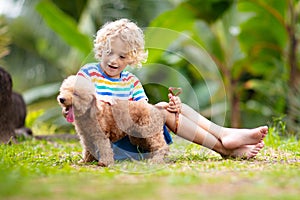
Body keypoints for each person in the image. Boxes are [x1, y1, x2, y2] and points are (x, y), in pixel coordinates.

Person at [76, 18, 268, 160]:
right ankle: (224, 146)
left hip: (137, 140)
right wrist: (98, 99)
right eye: (109, 52)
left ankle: (224, 136)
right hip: (108, 145)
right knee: (161, 110)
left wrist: (170, 107)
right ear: (101, 48)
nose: (113, 60)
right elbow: (74, 102)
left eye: (122, 56)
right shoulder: (89, 73)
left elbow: (142, 111)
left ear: (132, 58)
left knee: (166, 108)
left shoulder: (131, 81)